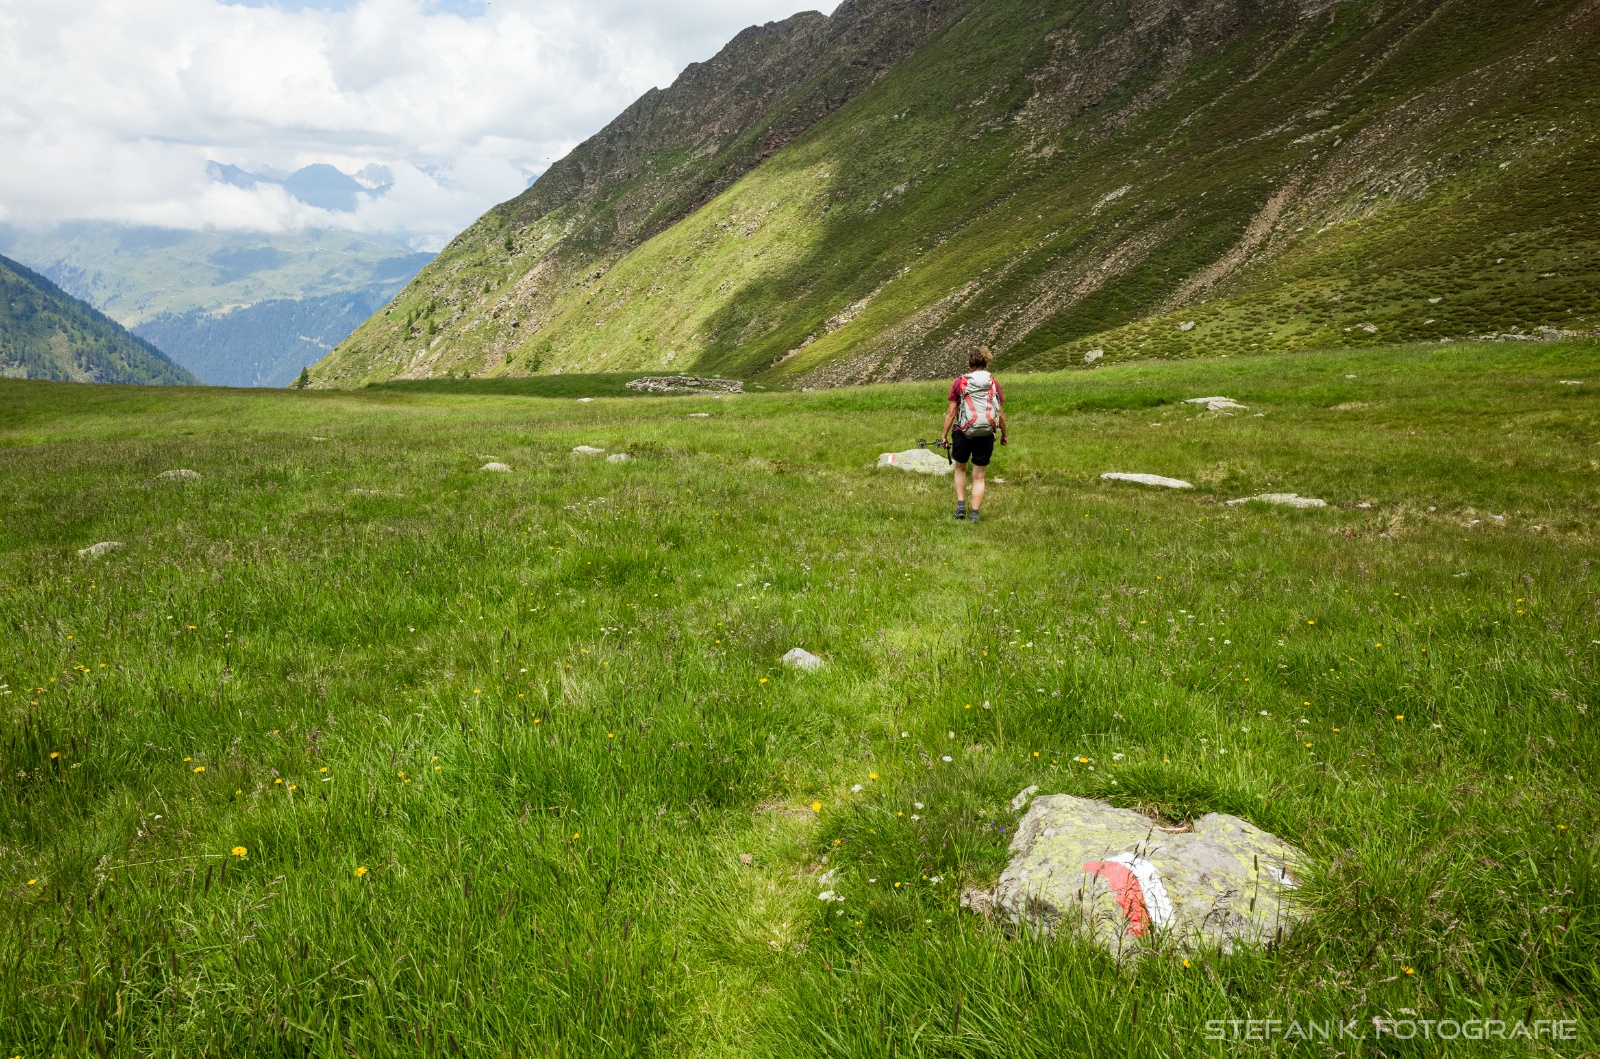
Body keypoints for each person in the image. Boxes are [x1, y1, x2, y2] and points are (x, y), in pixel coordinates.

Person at [940, 346, 1007, 523]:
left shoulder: (959, 382)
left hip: (963, 432)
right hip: (986, 434)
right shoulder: (993, 382)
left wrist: (944, 435)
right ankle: (975, 515)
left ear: (969, 362)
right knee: (979, 476)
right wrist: (1003, 435)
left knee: (961, 468)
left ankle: (961, 506)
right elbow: (1000, 414)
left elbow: (951, 412)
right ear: (986, 362)